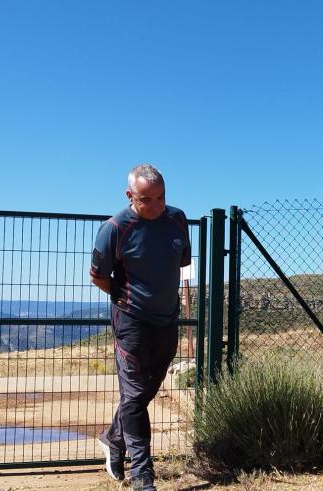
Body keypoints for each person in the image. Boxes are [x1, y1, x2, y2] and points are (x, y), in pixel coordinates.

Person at [90, 164, 192, 490]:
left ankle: (112, 438)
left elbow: (182, 265)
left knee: (147, 389)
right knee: (134, 397)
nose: (157, 205)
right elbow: (98, 276)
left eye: (162, 197)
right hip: (131, 321)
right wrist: (126, 300)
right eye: (148, 199)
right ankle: (143, 476)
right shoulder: (116, 229)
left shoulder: (177, 220)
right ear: (130, 195)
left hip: (167, 320)